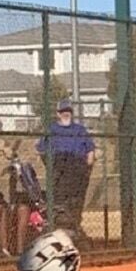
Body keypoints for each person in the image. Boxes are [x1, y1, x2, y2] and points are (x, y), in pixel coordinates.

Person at [35, 100, 95, 238]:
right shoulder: (52, 129)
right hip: (60, 168)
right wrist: (51, 166)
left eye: (68, 111)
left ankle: (75, 229)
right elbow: (41, 150)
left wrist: (88, 166)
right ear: (58, 114)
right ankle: (61, 230)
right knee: (60, 202)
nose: (65, 114)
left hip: (78, 168)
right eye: (62, 111)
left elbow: (90, 149)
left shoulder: (79, 129)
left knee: (76, 202)